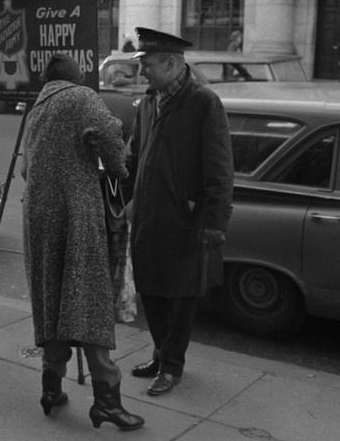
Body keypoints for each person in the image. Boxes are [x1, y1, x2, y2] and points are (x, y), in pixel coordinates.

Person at [22, 53, 144, 431]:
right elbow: (110, 133)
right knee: (87, 301)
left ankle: (51, 387)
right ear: (76, 77)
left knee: (53, 299)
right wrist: (120, 170)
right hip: (76, 215)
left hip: (38, 217)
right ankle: (107, 401)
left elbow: (26, 168)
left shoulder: (37, 108)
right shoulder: (81, 96)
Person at [126, 27, 233, 396]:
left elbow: (219, 169)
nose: (143, 72)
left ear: (172, 63)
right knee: (151, 290)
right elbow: (133, 155)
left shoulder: (204, 102)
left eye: (148, 65)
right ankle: (160, 353)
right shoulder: (149, 101)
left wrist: (214, 223)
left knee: (181, 296)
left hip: (186, 220)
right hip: (147, 217)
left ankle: (172, 366)